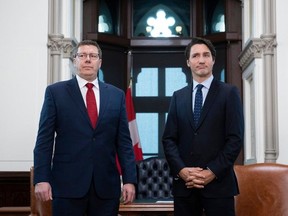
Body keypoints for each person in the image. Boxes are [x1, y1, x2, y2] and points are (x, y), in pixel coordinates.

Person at [33, 40, 137, 216]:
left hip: (105, 188)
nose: (88, 59)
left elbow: (124, 144)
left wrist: (129, 180)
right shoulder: (55, 93)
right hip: (67, 187)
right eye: (82, 55)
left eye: (93, 56)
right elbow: (44, 140)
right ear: (75, 61)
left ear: (100, 62)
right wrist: (42, 178)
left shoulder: (116, 95)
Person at [162, 37, 244, 216]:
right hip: (185, 187)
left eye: (206, 55)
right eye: (196, 56)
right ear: (188, 62)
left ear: (213, 60)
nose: (201, 60)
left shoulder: (229, 93)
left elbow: (235, 139)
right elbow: (169, 140)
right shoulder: (178, 97)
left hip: (219, 187)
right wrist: (182, 171)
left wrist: (212, 172)